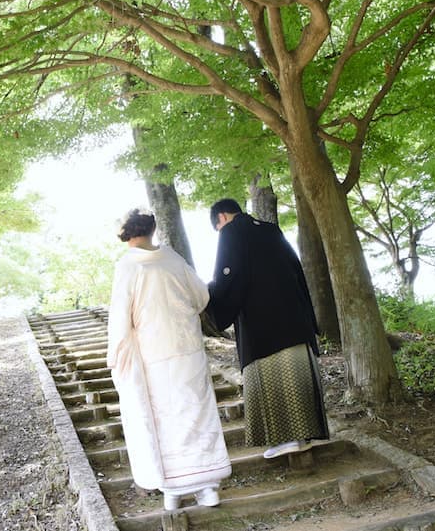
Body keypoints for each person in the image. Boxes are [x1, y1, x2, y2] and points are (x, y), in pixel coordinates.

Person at [106, 209, 232, 512]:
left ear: (127, 235)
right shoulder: (173, 258)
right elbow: (201, 296)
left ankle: (173, 490)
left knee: (164, 420)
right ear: (151, 230)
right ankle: (207, 488)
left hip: (154, 353)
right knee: (197, 413)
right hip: (187, 348)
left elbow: (120, 318)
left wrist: (117, 354)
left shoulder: (127, 265)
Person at [205, 198, 329, 459]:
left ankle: (287, 439)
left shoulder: (230, 232)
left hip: (262, 323)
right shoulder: (271, 229)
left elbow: (230, 277)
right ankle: (304, 436)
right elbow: (297, 269)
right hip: (295, 317)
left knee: (274, 378)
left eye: (217, 228)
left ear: (222, 218)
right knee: (298, 377)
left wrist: (212, 300)